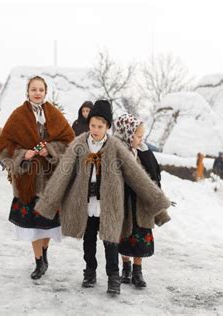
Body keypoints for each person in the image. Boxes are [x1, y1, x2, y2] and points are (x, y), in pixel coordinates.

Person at [34, 102, 171, 295]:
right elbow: (62, 174)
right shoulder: (80, 144)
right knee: (89, 240)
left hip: (109, 204)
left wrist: (159, 206)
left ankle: (113, 277)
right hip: (87, 204)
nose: (95, 130)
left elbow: (137, 176)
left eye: (100, 126)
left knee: (111, 242)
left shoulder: (115, 146)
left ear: (107, 127)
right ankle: (89, 272)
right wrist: (48, 203)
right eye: (92, 125)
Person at [0, 75, 75, 280]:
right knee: (33, 226)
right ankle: (38, 260)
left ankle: (44, 253)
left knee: (47, 225)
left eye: (41, 89)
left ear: (45, 92)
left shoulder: (54, 115)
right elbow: (2, 147)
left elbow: (69, 143)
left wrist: (49, 149)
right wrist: (23, 154)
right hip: (28, 180)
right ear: (27, 92)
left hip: (50, 180)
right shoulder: (18, 115)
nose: (37, 93)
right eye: (33, 89)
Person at [113, 113, 171, 289]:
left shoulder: (145, 152)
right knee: (122, 236)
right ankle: (126, 268)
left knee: (141, 236)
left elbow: (154, 176)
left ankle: (138, 270)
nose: (141, 139)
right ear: (128, 134)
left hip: (142, 203)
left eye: (141, 136)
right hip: (124, 202)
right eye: (138, 136)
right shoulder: (117, 152)